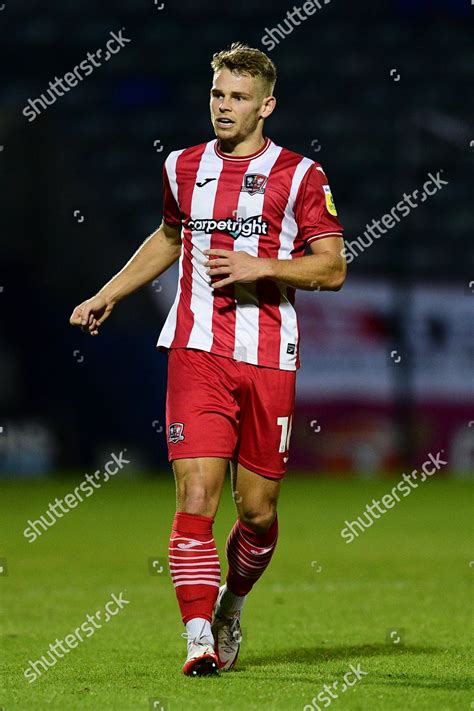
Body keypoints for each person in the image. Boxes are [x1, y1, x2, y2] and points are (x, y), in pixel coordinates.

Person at [70, 42, 346, 677]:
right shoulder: (182, 166)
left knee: (258, 512)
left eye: (239, 97)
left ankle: (231, 604)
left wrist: (263, 265)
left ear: (267, 105)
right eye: (218, 94)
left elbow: (332, 268)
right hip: (195, 350)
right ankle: (198, 636)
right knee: (196, 493)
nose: (225, 107)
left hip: (270, 356)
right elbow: (171, 236)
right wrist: (108, 293)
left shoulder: (302, 177)